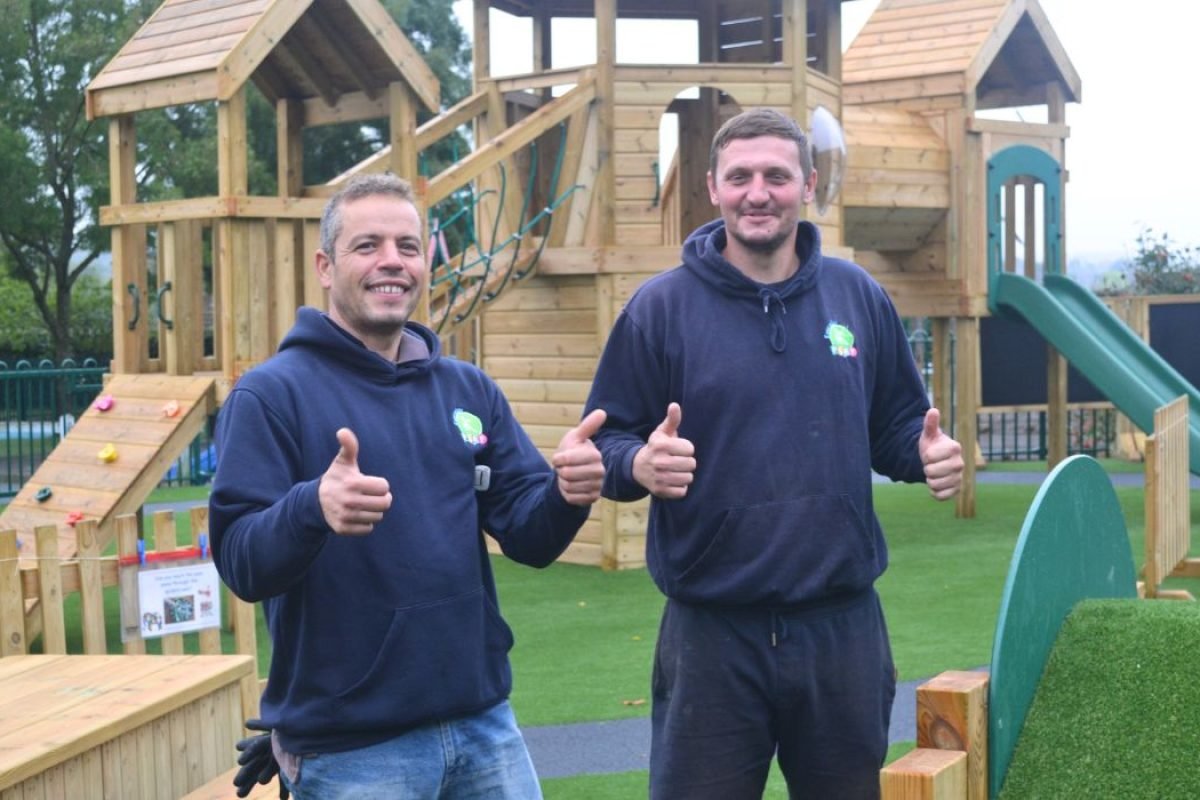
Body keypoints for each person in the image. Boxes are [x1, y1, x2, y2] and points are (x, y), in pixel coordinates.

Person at [582, 107, 965, 799]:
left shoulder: (859, 298)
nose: (758, 192)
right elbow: (605, 438)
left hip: (841, 631)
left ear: (808, 185)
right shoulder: (660, 309)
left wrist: (925, 452)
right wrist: (635, 464)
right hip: (711, 637)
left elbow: (901, 425)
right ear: (713, 187)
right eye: (741, 177)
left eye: (777, 176)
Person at [209, 173, 606, 800]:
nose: (392, 261)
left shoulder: (468, 391)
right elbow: (240, 563)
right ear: (324, 265)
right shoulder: (271, 395)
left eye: (408, 246)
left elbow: (529, 535)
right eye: (367, 246)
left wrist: (567, 494)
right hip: (353, 752)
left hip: (484, 726)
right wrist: (311, 506)